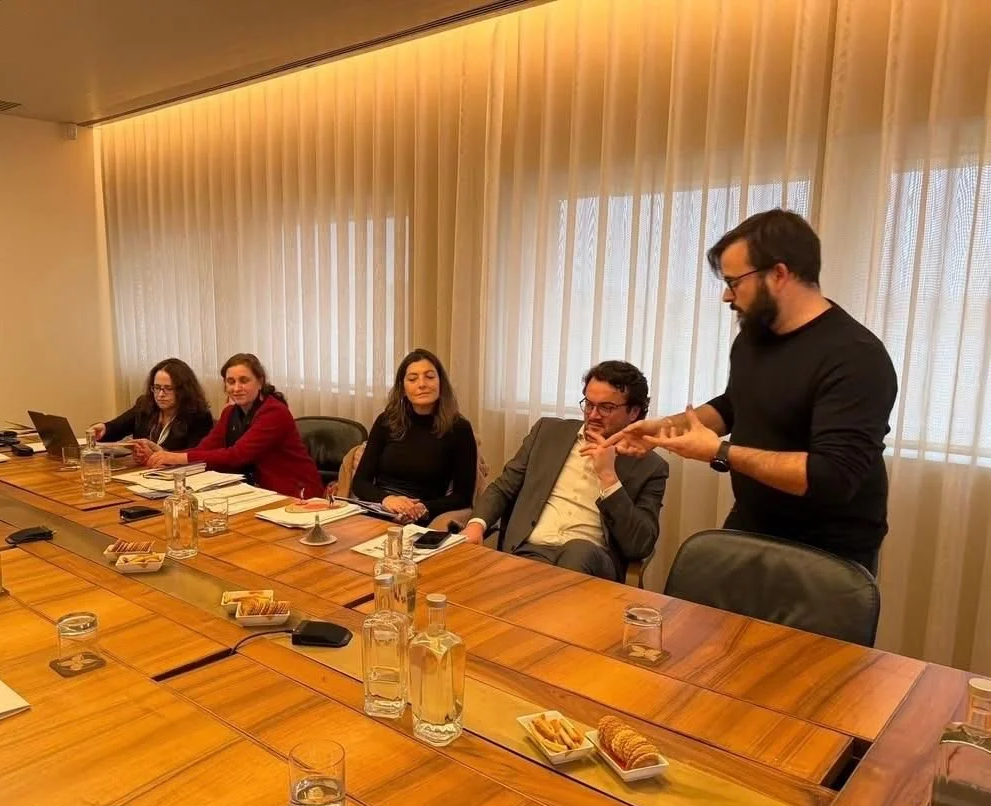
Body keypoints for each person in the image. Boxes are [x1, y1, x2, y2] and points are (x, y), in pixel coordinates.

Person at [606, 209, 897, 573]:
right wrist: (664, 429)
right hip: (753, 521)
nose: (726, 295)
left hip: (829, 547)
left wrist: (720, 452)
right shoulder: (753, 338)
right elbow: (734, 406)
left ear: (779, 274)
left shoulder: (855, 356)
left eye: (734, 281)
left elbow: (831, 476)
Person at [463, 361, 668, 582]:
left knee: (577, 552)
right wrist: (476, 525)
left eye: (606, 407)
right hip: (530, 552)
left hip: (592, 563)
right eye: (589, 404)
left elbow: (640, 545)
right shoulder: (547, 433)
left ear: (634, 412)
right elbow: (503, 488)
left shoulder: (650, 466)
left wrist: (608, 477)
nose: (593, 415)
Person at [137, 353, 324, 498]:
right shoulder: (230, 413)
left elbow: (237, 455)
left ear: (260, 382)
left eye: (244, 381)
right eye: (231, 381)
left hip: (294, 495)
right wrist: (163, 455)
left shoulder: (274, 412)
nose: (236, 388)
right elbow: (204, 449)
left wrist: (174, 457)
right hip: (255, 493)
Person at [351, 349, 478, 526]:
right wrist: (387, 500)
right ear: (403, 388)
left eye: (430, 377)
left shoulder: (459, 429)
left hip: (423, 516)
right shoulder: (386, 421)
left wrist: (422, 509)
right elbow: (360, 483)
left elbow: (463, 496)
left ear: (441, 383)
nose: (422, 384)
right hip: (381, 510)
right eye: (412, 379)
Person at [90, 358, 213, 452]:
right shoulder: (144, 405)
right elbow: (116, 427)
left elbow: (194, 456)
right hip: (141, 471)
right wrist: (104, 428)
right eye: (157, 388)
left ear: (183, 390)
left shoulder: (199, 416)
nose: (160, 394)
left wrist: (159, 452)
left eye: (168, 388)